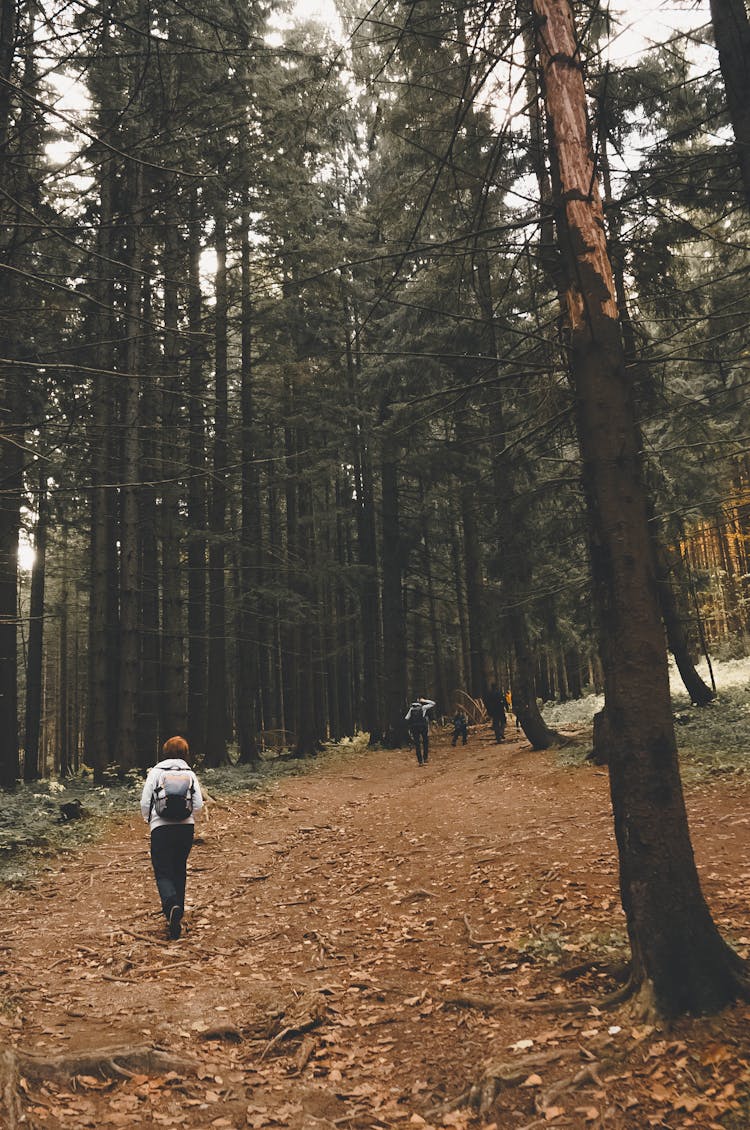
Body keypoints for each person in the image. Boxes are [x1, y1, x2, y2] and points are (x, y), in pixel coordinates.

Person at [140, 736, 204, 940]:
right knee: (179, 869)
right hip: (186, 829)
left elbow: (145, 800)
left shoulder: (156, 772)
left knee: (163, 870)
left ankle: (170, 905)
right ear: (185, 753)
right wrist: (189, 817)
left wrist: (149, 819)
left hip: (161, 828)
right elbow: (199, 804)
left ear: (165, 752)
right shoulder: (190, 774)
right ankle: (178, 911)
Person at [405, 696, 436, 766]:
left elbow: (406, 718)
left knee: (417, 744)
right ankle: (425, 758)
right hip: (423, 726)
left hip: (414, 728)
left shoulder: (411, 709)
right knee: (425, 742)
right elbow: (433, 703)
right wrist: (425, 700)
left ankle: (420, 761)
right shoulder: (423, 707)